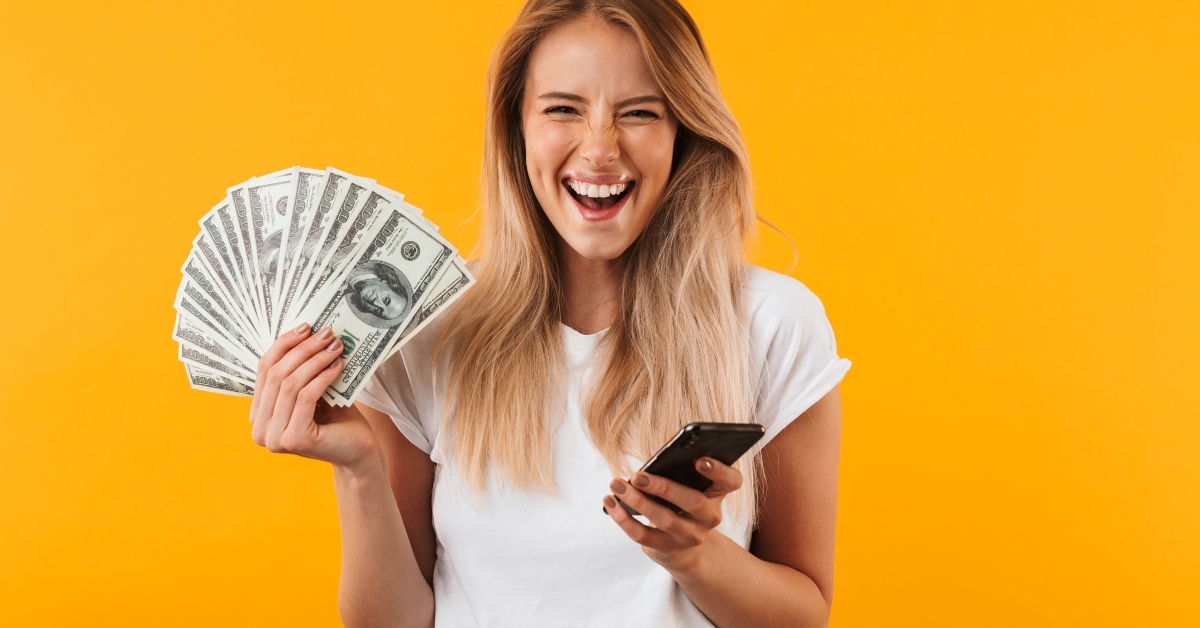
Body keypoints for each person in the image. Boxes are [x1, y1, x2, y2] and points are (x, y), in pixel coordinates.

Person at [247, 1, 850, 626]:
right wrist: (358, 467)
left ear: (684, 131)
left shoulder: (773, 324)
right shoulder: (426, 329)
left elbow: (803, 615)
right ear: (518, 127)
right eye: (563, 109)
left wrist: (694, 554)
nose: (600, 150)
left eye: (640, 113)